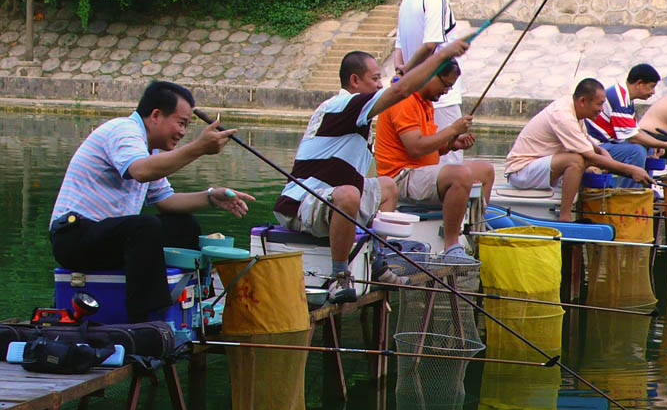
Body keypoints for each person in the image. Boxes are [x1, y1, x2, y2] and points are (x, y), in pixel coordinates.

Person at [274, 39, 469, 304]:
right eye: (375, 78)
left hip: (332, 197)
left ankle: (378, 261)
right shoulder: (344, 105)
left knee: (387, 186)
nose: (380, 84)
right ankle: (339, 276)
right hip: (301, 203)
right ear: (355, 80)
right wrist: (442, 55)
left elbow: (397, 88)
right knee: (349, 195)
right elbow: (401, 91)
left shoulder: (356, 113)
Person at [49, 81, 255, 322]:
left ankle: (191, 304)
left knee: (182, 225)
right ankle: (147, 320)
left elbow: (166, 201)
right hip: (74, 237)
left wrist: (210, 196)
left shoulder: (150, 150)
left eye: (187, 126)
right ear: (156, 115)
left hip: (107, 239)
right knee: (144, 227)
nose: (183, 132)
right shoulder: (122, 131)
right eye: (181, 123)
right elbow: (141, 171)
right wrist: (197, 148)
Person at [374, 59, 495, 257]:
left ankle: (475, 232)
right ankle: (452, 246)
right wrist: (452, 130)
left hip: (423, 172)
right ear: (430, 75)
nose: (447, 91)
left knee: (486, 171)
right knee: (459, 175)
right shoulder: (404, 99)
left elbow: (430, 147)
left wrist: (452, 143)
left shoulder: (426, 102)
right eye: (446, 85)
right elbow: (415, 147)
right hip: (401, 176)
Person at [504, 78, 653, 222]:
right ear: (583, 101)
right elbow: (589, 156)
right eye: (599, 104)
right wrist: (630, 170)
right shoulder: (563, 115)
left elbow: (587, 142)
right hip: (521, 171)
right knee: (576, 160)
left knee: (586, 163)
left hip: (540, 167)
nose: (601, 110)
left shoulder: (574, 109)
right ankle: (565, 217)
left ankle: (580, 212)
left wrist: (603, 153)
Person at [393, 0, 464, 165]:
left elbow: (399, 51)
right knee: (450, 164)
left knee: (428, 159)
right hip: (441, 95)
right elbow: (430, 44)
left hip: (416, 96)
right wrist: (409, 72)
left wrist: (402, 71)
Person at [586, 63, 667, 187]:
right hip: (597, 147)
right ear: (639, 84)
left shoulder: (625, 96)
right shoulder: (620, 98)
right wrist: (665, 144)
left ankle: (645, 186)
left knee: (649, 147)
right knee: (636, 151)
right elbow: (633, 137)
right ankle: (630, 193)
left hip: (610, 144)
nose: (653, 92)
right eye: (651, 87)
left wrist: (654, 143)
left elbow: (634, 130)